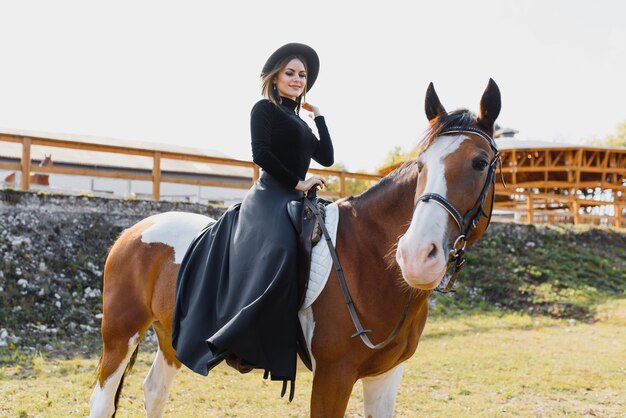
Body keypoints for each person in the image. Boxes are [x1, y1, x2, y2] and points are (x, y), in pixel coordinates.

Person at [171, 43, 334, 390]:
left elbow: (328, 156)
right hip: (270, 195)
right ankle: (245, 338)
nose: (296, 79)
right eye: (289, 72)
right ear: (274, 77)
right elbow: (260, 153)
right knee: (280, 249)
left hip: (297, 197)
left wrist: (318, 115)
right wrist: (299, 182)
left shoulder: (301, 121)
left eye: (302, 75)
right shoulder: (264, 109)